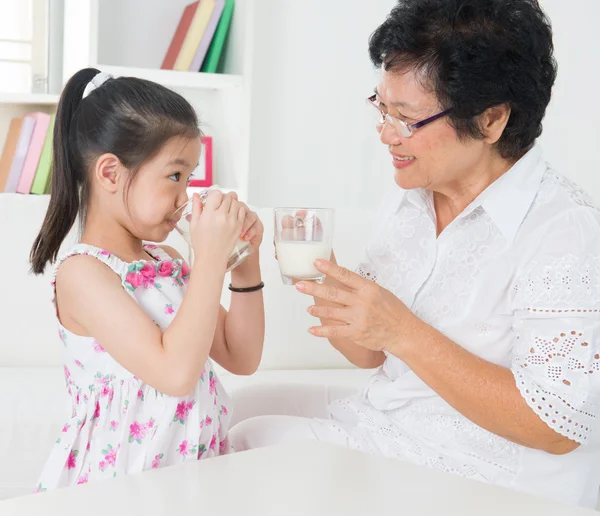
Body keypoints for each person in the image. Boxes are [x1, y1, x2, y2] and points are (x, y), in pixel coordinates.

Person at [229, 0, 600, 507]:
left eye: (405, 119)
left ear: (491, 120)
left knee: (249, 442)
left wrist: (401, 330)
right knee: (228, 408)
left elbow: (559, 426)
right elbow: (369, 355)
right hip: (393, 420)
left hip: (488, 470)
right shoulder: (413, 195)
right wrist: (330, 284)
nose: (385, 134)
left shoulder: (564, 230)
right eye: (382, 108)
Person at [29, 68, 265, 491]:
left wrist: (243, 261)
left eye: (190, 178)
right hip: (123, 484)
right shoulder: (83, 273)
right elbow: (174, 373)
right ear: (110, 173)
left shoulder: (167, 260)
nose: (185, 197)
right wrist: (209, 260)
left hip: (194, 473)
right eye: (174, 176)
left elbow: (240, 355)